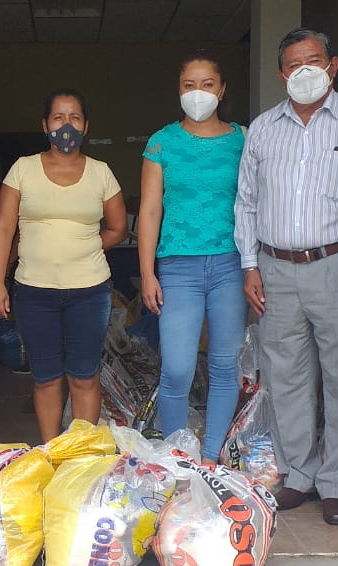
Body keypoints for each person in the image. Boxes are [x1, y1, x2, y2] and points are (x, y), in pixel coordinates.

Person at [234, 28, 338, 525]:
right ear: (281, 73)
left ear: (333, 66)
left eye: (314, 60)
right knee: (284, 375)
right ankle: (298, 475)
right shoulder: (262, 129)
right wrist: (249, 265)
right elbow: (246, 203)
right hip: (274, 268)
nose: (304, 70)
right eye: (294, 63)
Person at [0, 89, 128, 442]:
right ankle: (51, 451)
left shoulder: (101, 172)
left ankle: (80, 455)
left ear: (86, 126)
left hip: (89, 292)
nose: (67, 125)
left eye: (75, 118)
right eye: (59, 117)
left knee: (84, 377)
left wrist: (84, 246)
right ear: (45, 124)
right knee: (46, 378)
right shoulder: (23, 169)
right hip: (34, 292)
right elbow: (3, 227)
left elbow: (117, 228)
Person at [138, 51, 246, 464]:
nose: (198, 92)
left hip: (230, 264)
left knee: (224, 366)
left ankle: (211, 457)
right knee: (177, 368)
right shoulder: (161, 142)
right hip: (177, 267)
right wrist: (147, 272)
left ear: (222, 90)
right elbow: (150, 211)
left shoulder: (244, 139)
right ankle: (176, 458)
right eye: (189, 85)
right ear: (178, 90)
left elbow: (256, 204)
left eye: (207, 84)